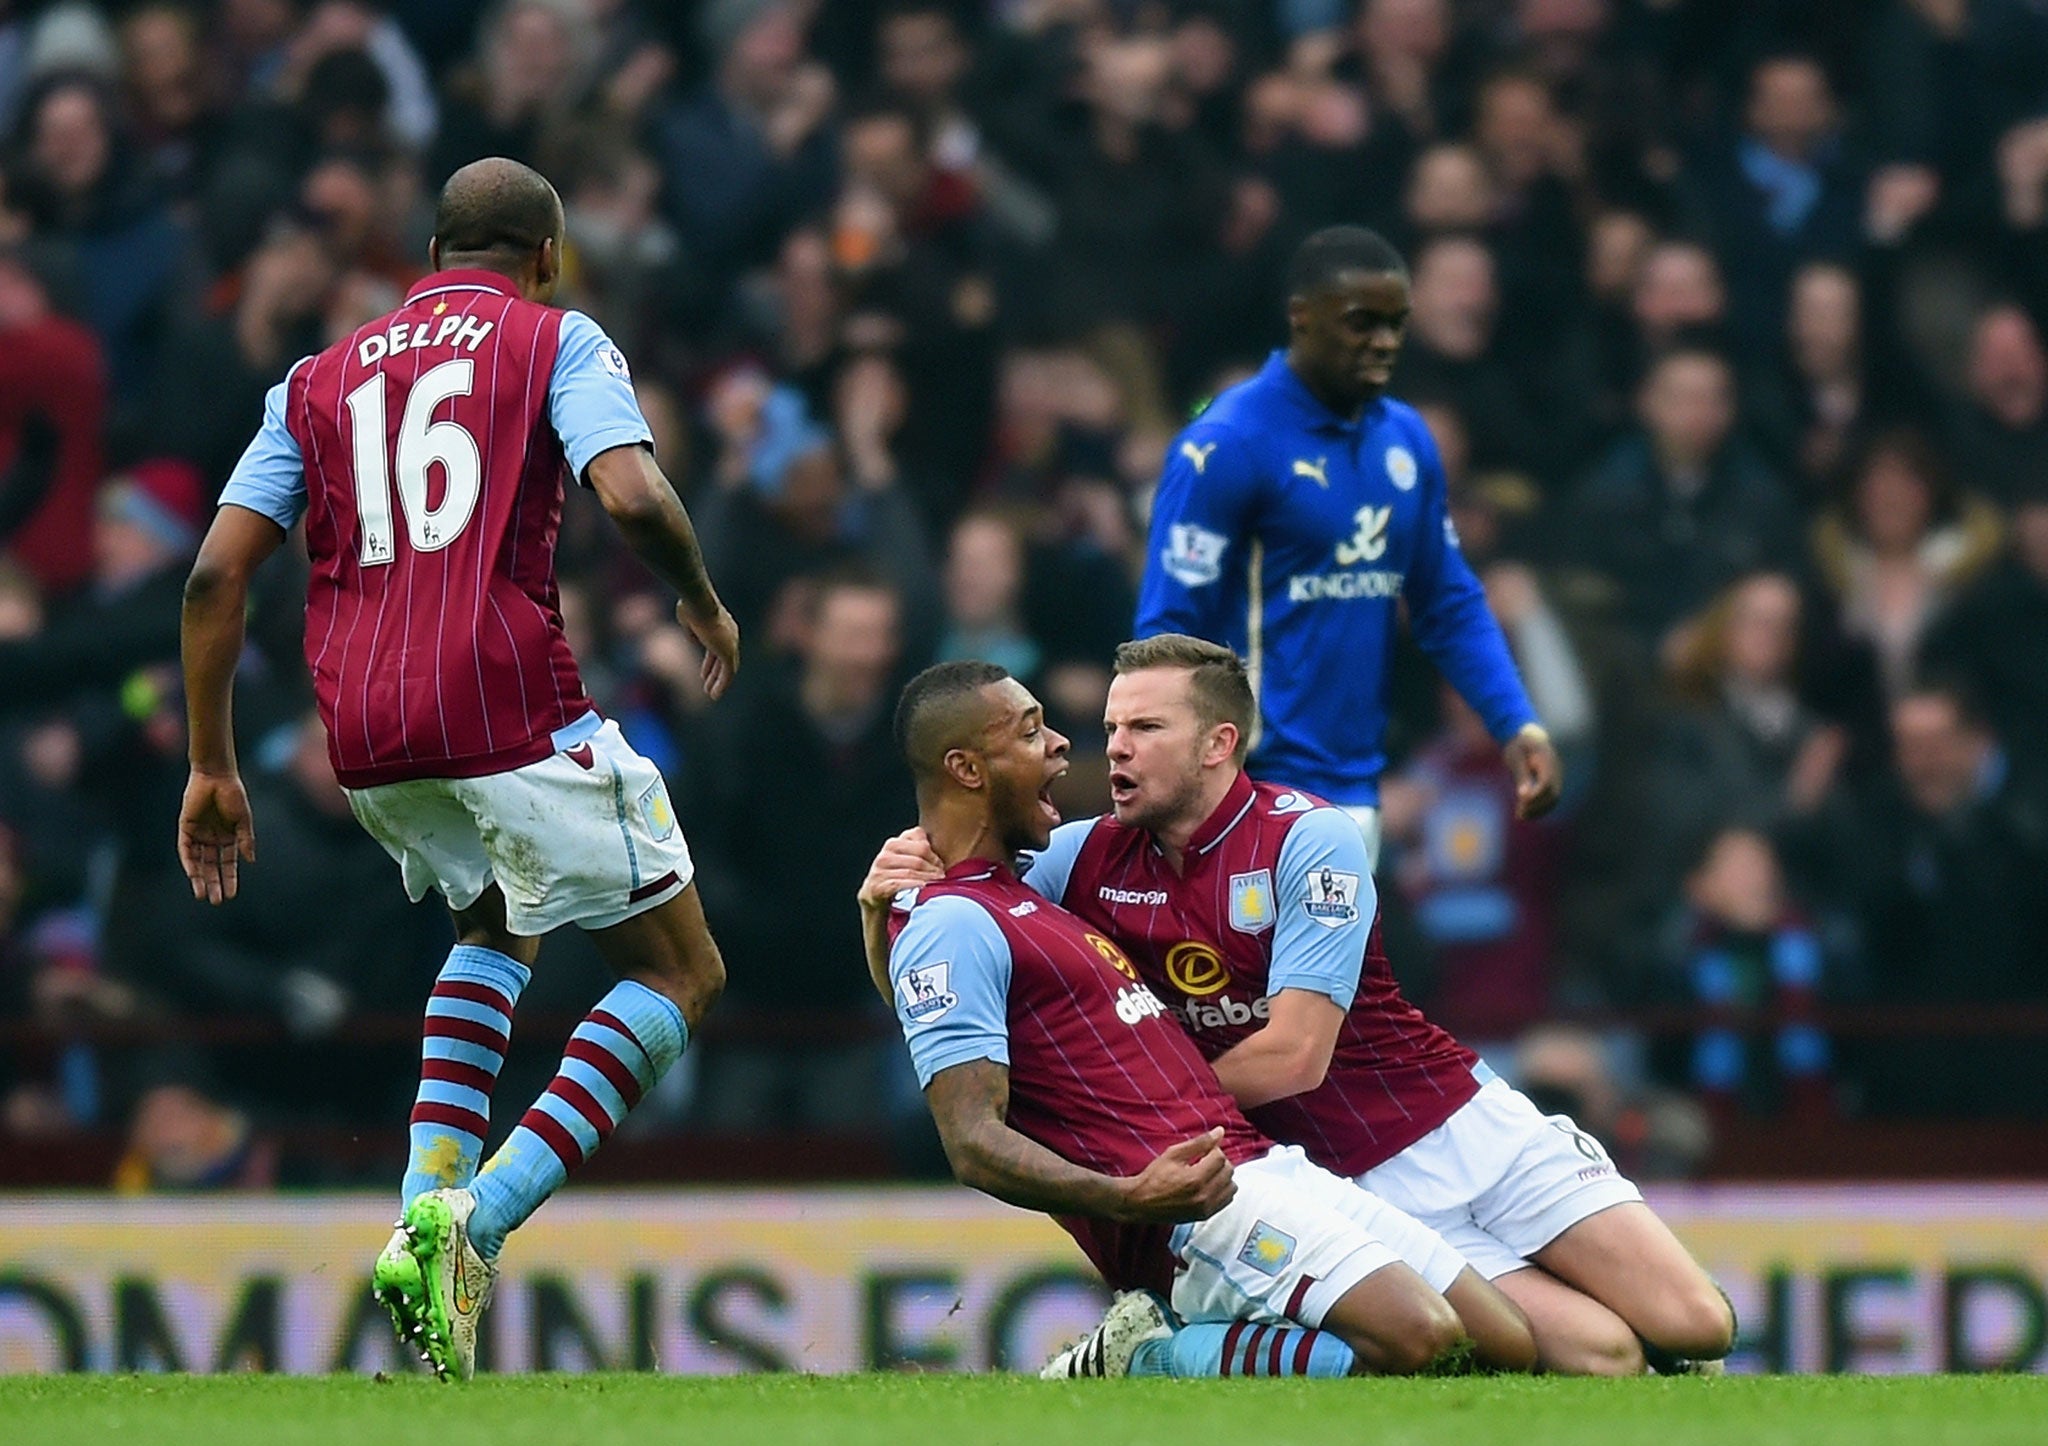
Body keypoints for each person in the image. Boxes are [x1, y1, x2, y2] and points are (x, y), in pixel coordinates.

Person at [178, 157, 740, 1382]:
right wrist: (699, 597)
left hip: (366, 738)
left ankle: (413, 1228)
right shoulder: (556, 338)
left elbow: (216, 576)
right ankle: (468, 1224)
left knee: (494, 929)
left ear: (433, 254)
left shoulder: (313, 380)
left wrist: (211, 763)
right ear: (544, 255)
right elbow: (631, 491)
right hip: (503, 703)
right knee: (682, 971)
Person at [864, 638, 1734, 1375]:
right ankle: (1172, 1348)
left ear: (1218, 744)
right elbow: (954, 973)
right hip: (1336, 1171)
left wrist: (1139, 1102)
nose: (1113, 749)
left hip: (1448, 1119)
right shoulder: (1078, 860)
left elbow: (1293, 1057)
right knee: (1601, 1354)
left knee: (1700, 1323)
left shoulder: (1305, 837)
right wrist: (886, 899)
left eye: (1145, 728)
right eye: (1112, 729)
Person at [1135, 225, 1560, 866]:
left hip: (1355, 795)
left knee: (1338, 970)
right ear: (1302, 318)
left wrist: (1514, 721)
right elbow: (1164, 635)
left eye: (1396, 323)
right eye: (1363, 322)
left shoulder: (1407, 442)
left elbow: (1448, 604)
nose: (1384, 342)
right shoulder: (1227, 444)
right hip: (1248, 791)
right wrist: (1176, 794)